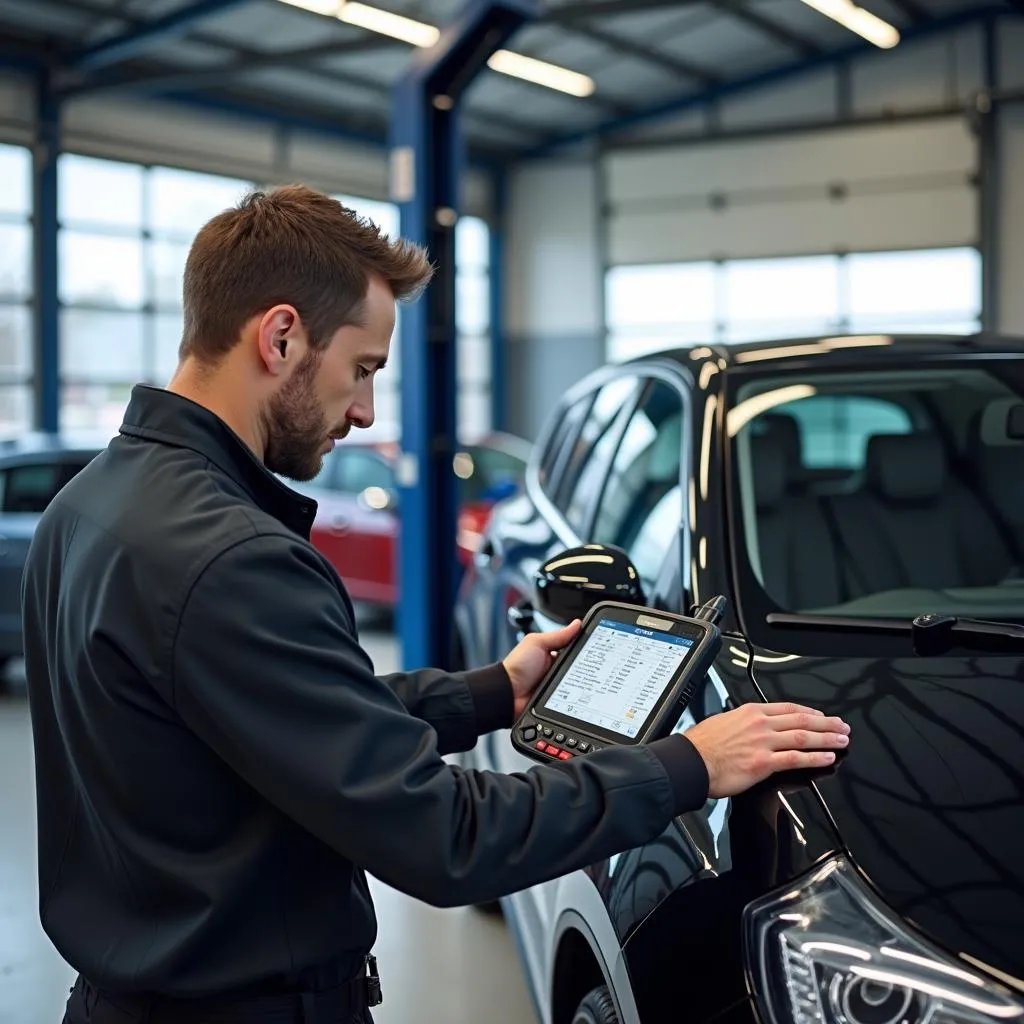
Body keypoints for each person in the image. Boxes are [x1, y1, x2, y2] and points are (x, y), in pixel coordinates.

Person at [22, 184, 851, 1024]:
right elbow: (446, 835)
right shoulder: (235, 558)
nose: (364, 410)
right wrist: (689, 766)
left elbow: (271, 720)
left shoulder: (89, 507)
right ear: (280, 336)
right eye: (363, 369)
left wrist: (493, 691)